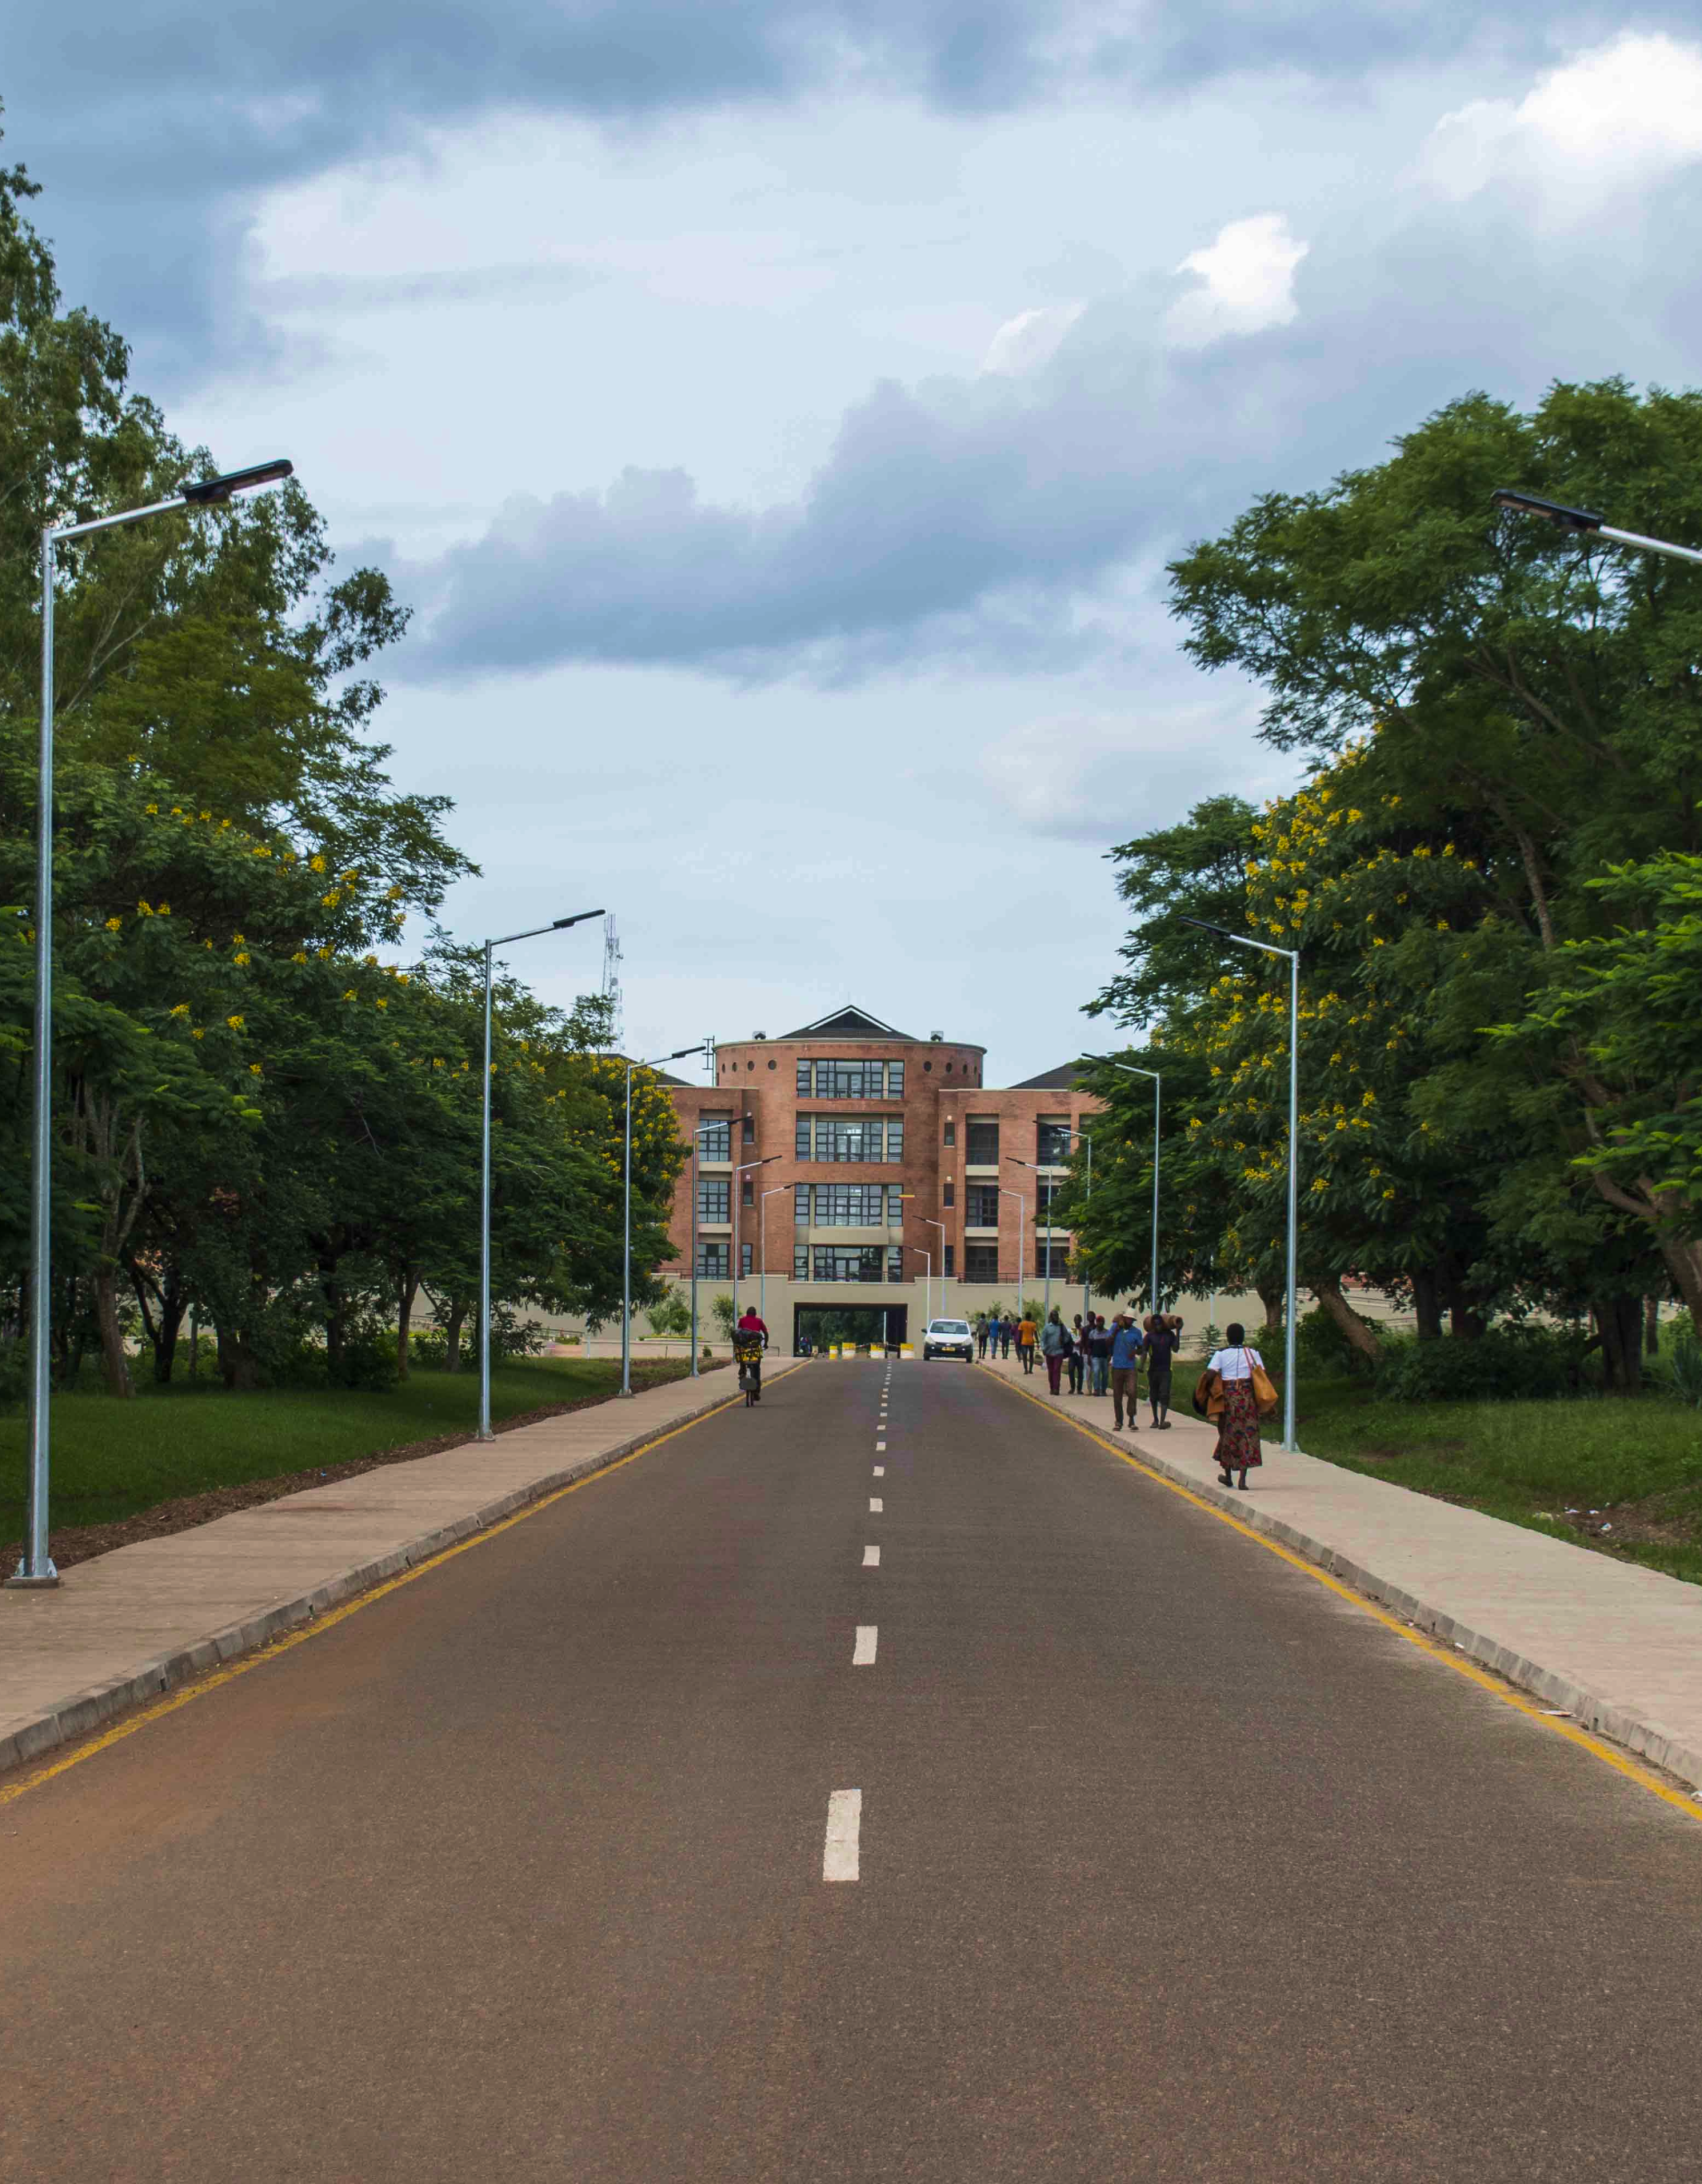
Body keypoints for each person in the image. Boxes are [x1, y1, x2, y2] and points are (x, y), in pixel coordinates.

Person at [1200, 1321, 1265, 1489]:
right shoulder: (1253, 1353)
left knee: (1227, 1435)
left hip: (1228, 1399)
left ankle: (1228, 1476)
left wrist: (1208, 1389)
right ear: (1243, 1337)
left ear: (1228, 1338)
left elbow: (1209, 1374)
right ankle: (1242, 1479)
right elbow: (1261, 1374)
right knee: (1247, 1435)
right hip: (1247, 1399)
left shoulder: (1221, 1355)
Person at [1108, 1312, 1144, 1430]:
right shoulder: (1115, 1327)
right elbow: (1108, 1342)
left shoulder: (1137, 1332)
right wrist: (1116, 1330)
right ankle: (1118, 1421)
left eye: (1130, 1319)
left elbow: (1141, 1349)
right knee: (1117, 1395)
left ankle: (1131, 1419)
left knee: (1132, 1391)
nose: (1128, 1320)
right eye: (1126, 1318)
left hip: (1130, 1367)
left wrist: (1135, 1352)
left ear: (1133, 1320)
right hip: (1117, 1366)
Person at [1143, 1312, 1177, 1430]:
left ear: (1163, 1324)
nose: (1157, 1326)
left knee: (1164, 1394)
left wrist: (1178, 1331)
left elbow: (1176, 1349)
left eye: (1159, 1323)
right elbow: (1144, 1351)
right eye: (1155, 1324)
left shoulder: (1170, 1335)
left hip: (1166, 1370)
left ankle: (1162, 1421)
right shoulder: (1149, 1336)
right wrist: (1141, 1366)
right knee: (1153, 1396)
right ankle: (1156, 1420)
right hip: (1153, 1370)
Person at [736, 1304, 769, 1401]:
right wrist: (766, 1343)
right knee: (757, 1369)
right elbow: (766, 1333)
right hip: (755, 1349)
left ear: (746, 1314)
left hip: (744, 1349)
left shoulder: (742, 1320)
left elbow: (738, 1333)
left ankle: (742, 1371)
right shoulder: (759, 1321)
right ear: (755, 1314)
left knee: (742, 1358)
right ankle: (756, 1391)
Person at [1040, 1306, 1068, 1393]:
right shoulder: (1047, 1327)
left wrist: (1063, 1340)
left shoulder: (1062, 1327)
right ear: (1051, 1317)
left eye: (1057, 1316)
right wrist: (1043, 1348)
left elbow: (1067, 1337)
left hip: (1059, 1352)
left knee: (1057, 1370)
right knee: (1051, 1371)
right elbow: (1043, 1339)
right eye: (1054, 1316)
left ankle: (1056, 1388)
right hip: (1049, 1352)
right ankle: (1052, 1387)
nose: (1056, 1317)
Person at [1087, 1314, 1112, 1396]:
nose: (1100, 1323)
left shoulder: (1108, 1333)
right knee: (1096, 1371)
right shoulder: (1092, 1333)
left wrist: (1110, 1355)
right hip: (1095, 1357)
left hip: (1105, 1357)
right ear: (1096, 1322)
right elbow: (1090, 1347)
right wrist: (1089, 1357)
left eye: (1102, 1321)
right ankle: (1097, 1389)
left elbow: (1110, 1345)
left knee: (1105, 1374)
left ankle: (1103, 1390)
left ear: (1104, 1323)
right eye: (1098, 1321)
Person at [1068, 1315, 1086, 1395]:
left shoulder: (1084, 1330)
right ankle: (1072, 1387)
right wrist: (1071, 1343)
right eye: (1075, 1320)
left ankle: (1079, 1389)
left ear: (1081, 1320)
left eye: (1078, 1320)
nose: (1077, 1321)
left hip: (1080, 1354)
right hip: (1072, 1353)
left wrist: (1081, 1343)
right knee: (1071, 1370)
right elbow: (1068, 1340)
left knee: (1080, 1372)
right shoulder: (1071, 1330)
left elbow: (1085, 1340)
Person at [1016, 1309, 1038, 1374]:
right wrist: (1038, 1342)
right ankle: (1030, 1370)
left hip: (1024, 1342)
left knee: (1024, 1356)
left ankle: (1026, 1370)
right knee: (1031, 1357)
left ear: (1025, 1317)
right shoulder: (1033, 1324)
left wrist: (1019, 1341)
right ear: (1030, 1317)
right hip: (1031, 1342)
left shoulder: (1021, 1324)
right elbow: (1035, 1333)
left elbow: (1020, 1334)